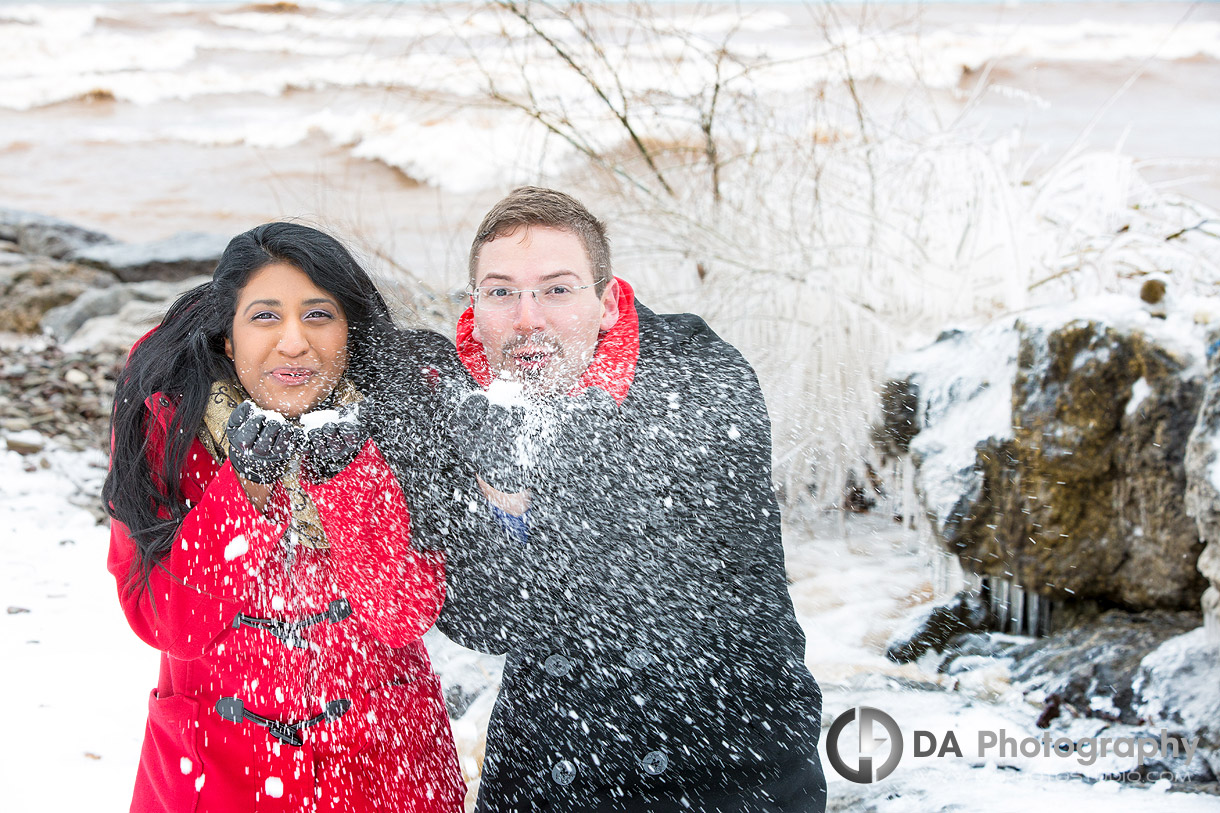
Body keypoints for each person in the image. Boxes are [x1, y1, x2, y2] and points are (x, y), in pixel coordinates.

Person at [436, 187, 827, 812]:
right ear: (476, 306)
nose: (527, 318)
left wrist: (533, 475)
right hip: (547, 765)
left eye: (558, 289)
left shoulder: (700, 375)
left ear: (609, 303)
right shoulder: (456, 404)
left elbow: (641, 550)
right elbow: (486, 620)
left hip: (732, 760)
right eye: (501, 291)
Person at [103, 222, 467, 812]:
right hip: (215, 770)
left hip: (386, 769)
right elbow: (165, 624)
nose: (293, 342)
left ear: (349, 332)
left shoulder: (402, 417)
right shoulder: (166, 421)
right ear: (228, 336)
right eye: (265, 316)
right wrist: (243, 490)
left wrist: (345, 482)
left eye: (319, 315)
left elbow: (404, 614)